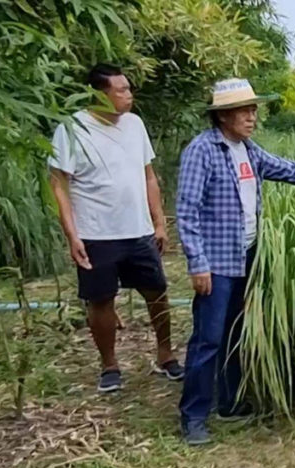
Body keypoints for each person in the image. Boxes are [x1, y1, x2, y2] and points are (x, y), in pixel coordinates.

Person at [176, 78, 295, 445]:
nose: (253, 116)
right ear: (224, 116)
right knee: (208, 339)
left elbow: (290, 170)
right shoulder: (202, 151)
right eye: (245, 110)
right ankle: (194, 417)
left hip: (245, 255)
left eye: (253, 109)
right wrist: (197, 262)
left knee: (234, 335)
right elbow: (186, 211)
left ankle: (229, 403)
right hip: (215, 262)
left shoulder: (247, 150)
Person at [49, 63, 182, 394]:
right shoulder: (72, 129)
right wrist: (72, 234)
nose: (129, 95)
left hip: (138, 231)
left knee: (158, 292)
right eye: (121, 90)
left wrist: (159, 221)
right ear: (99, 94)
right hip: (96, 233)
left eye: (128, 88)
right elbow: (59, 185)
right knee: (101, 300)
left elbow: (148, 174)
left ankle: (165, 355)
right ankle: (109, 365)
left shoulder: (135, 125)